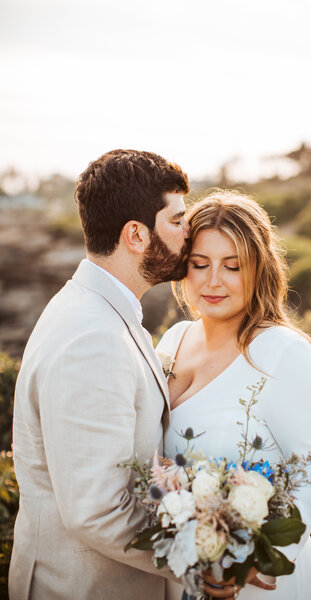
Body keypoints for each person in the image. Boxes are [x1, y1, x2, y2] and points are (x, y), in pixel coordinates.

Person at [9, 149, 193, 600]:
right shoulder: (93, 337)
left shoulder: (98, 310)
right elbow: (97, 510)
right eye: (177, 221)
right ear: (136, 235)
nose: (191, 232)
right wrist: (202, 559)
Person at [156, 190, 311, 600]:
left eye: (233, 266)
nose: (213, 281)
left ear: (259, 269)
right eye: (199, 264)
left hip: (254, 582)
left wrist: (260, 556)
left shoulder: (285, 354)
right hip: (179, 574)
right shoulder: (173, 339)